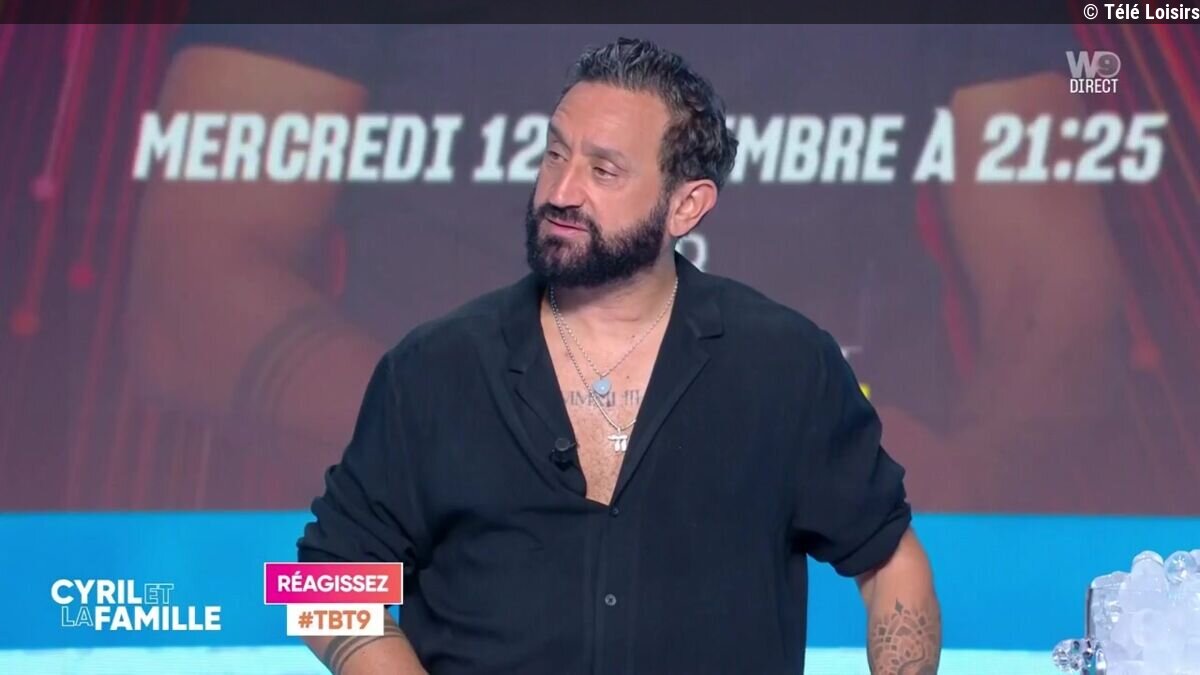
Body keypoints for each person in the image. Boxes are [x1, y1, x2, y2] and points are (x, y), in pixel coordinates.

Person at [123, 22, 1164, 514]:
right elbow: (190, 287)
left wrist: (971, 482)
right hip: (461, 553)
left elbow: (1056, 289)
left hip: (840, 548)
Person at [296, 38, 940, 675]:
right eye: (555, 154)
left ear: (686, 206)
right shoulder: (433, 369)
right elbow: (320, 583)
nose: (562, 190)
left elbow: (889, 560)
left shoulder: (785, 366)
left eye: (603, 171)